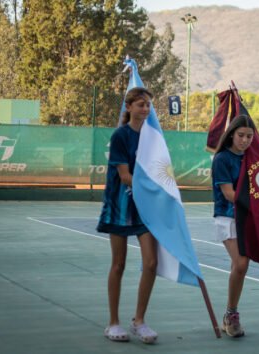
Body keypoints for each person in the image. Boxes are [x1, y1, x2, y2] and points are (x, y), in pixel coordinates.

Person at [97, 87, 158, 344]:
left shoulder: (152, 137)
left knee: (151, 263)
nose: (145, 109)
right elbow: (124, 177)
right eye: (140, 104)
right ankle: (113, 323)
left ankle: (139, 321)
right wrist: (152, 187)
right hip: (119, 206)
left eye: (148, 105)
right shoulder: (120, 135)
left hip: (144, 209)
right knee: (118, 265)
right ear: (129, 107)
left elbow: (158, 170)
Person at [211, 114, 256, 338]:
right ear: (231, 134)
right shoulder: (221, 159)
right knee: (241, 264)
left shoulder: (253, 158)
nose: (245, 140)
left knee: (237, 267)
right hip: (226, 217)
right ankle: (231, 314)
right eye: (241, 135)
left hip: (246, 218)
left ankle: (229, 315)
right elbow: (229, 194)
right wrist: (258, 202)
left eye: (249, 136)